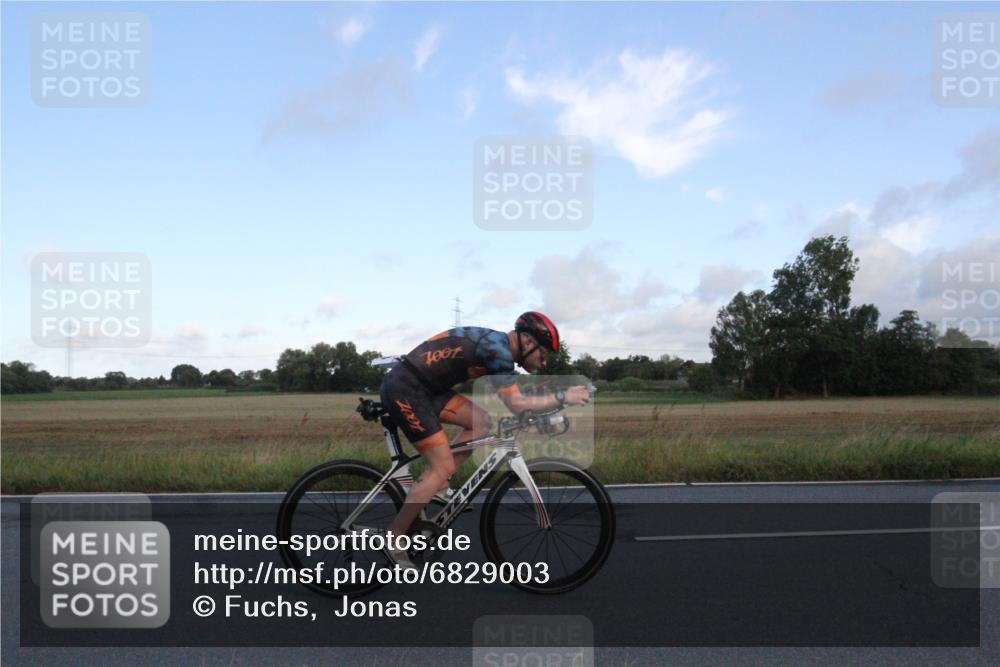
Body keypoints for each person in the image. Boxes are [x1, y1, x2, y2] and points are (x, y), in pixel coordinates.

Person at [378, 311, 591, 567]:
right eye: (542, 355)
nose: (543, 362)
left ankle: (438, 486)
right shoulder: (497, 350)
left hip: (427, 389)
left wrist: (545, 407)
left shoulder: (498, 347)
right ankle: (394, 537)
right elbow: (517, 404)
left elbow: (517, 397)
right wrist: (562, 397)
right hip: (407, 389)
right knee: (441, 464)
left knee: (482, 422)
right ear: (527, 341)